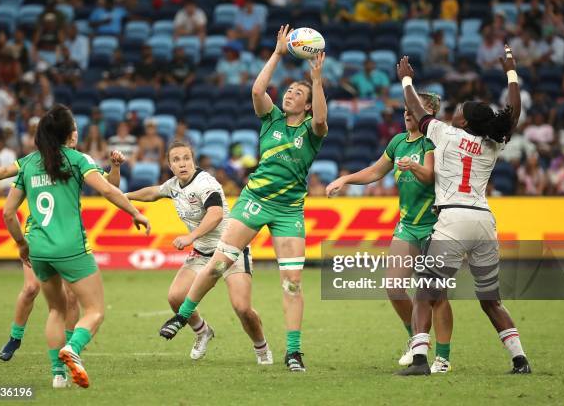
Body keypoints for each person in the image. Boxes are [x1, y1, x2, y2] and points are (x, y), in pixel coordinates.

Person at [159, 25, 328, 373]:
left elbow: (323, 119)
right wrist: (278, 54)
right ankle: (184, 316)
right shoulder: (271, 120)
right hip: (253, 201)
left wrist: (317, 79)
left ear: (307, 104)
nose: (289, 95)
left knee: (292, 282)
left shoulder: (312, 132)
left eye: (298, 93)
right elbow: (257, 88)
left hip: (289, 210)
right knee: (219, 261)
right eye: (289, 90)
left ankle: (293, 351)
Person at [395, 46, 531, 375]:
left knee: (425, 292)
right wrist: (512, 74)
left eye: (459, 110)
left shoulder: (446, 134)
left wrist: (406, 81)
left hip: (453, 219)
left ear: (464, 121)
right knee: (490, 300)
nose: (453, 112)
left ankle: (419, 360)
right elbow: (512, 114)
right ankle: (520, 359)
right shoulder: (492, 144)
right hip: (484, 223)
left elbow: (416, 109)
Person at [1, 105, 150, 388]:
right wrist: (135, 212)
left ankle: (58, 375)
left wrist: (22, 244)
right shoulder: (77, 159)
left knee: (55, 310)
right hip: (71, 247)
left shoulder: (30, 163)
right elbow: (107, 189)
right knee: (94, 311)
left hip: (39, 250)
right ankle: (73, 349)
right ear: (70, 134)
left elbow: (8, 213)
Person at [326, 92, 454, 373]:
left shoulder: (434, 141)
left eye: (414, 108)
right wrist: (345, 179)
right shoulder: (398, 142)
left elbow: (431, 176)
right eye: (405, 108)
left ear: (428, 112)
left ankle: (442, 358)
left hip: (435, 226)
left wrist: (415, 166)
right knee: (394, 287)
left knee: (436, 294)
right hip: (407, 226)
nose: (408, 112)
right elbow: (375, 172)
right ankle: (416, 341)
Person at [0, 142, 126, 368]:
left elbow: (109, 185)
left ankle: (67, 350)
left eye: (75, 129)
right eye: (71, 129)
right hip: (38, 238)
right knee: (30, 289)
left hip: (65, 238)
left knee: (71, 297)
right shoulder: (33, 162)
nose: (74, 133)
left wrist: (115, 167)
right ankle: (15, 338)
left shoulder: (78, 160)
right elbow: (8, 171)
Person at [125, 141, 270, 363]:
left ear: (192, 160)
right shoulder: (173, 185)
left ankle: (261, 348)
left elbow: (216, 214)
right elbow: (152, 192)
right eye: (176, 160)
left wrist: (190, 237)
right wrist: (125, 196)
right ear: (170, 165)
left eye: (186, 158)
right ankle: (203, 332)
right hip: (202, 253)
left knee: (242, 308)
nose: (182, 163)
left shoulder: (205, 183)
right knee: (175, 297)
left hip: (230, 250)